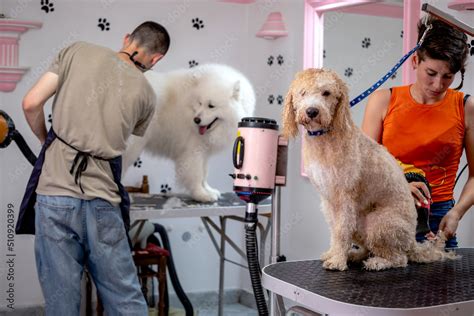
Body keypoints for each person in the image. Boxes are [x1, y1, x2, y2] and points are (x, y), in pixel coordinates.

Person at [16, 21, 170, 315]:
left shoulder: (76, 51)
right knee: (125, 300)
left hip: (55, 197)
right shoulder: (147, 94)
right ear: (156, 59)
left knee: (62, 302)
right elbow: (121, 142)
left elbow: (30, 103)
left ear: (127, 38)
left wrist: (46, 145)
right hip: (103, 203)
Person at [362, 16, 473, 248]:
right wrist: (399, 187)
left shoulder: (466, 107)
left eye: (448, 77)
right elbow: (363, 167)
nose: (438, 85)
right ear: (415, 61)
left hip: (437, 218)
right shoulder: (383, 101)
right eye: (431, 73)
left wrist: (457, 213)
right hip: (383, 211)